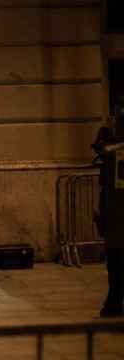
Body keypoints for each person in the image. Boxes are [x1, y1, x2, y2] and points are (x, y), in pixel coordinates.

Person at [95, 105, 124, 317]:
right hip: (113, 215)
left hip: (116, 215)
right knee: (114, 261)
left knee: (115, 261)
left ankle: (114, 301)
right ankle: (113, 300)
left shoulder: (113, 153)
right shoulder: (111, 150)